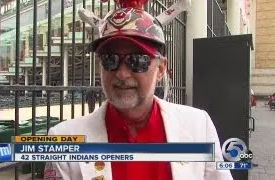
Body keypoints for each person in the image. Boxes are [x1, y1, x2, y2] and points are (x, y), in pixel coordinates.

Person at [44, 0, 233, 179]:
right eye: (110, 60)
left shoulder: (199, 126)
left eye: (138, 60)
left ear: (160, 69)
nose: (122, 74)